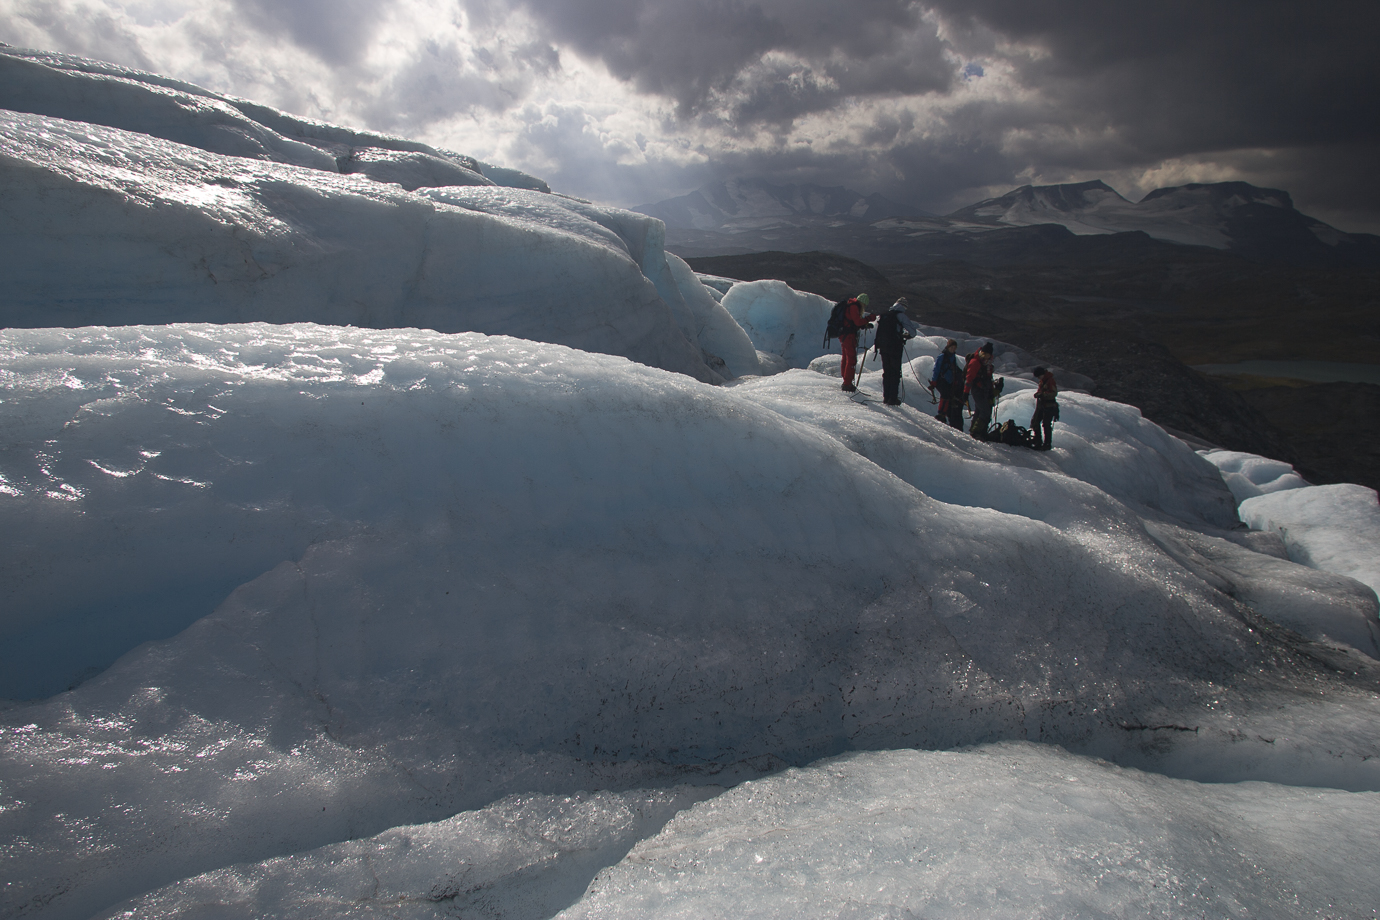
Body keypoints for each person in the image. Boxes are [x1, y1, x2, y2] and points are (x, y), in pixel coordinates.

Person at [875, 298, 920, 405]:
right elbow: (913, 332)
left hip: (883, 347)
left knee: (887, 372)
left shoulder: (885, 315)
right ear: (904, 307)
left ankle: (886, 397)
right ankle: (893, 398)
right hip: (895, 347)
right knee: (895, 372)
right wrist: (906, 336)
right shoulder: (901, 316)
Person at [838, 293, 877, 392]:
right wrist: (869, 318)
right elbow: (857, 322)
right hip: (849, 336)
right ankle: (847, 383)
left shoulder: (850, 305)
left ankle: (845, 379)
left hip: (843, 334)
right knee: (851, 359)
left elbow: (853, 322)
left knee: (846, 358)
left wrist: (863, 324)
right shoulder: (855, 307)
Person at [930, 338, 964, 428]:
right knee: (945, 395)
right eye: (952, 347)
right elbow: (936, 369)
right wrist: (934, 381)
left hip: (949, 381)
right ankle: (941, 414)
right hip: (942, 380)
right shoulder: (942, 356)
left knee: (947, 396)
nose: (953, 349)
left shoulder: (952, 357)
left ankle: (943, 414)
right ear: (948, 347)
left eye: (954, 348)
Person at [965, 342, 996, 439]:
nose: (987, 356)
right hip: (977, 390)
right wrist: (965, 392)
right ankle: (976, 432)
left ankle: (976, 431)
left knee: (979, 410)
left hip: (984, 390)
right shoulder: (976, 362)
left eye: (988, 354)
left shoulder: (986, 364)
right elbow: (969, 378)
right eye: (986, 354)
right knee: (985, 411)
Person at [1030, 365, 1058, 450]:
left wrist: (1043, 394)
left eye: (1039, 376)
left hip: (1049, 406)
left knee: (1046, 425)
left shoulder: (1050, 380)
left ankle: (1047, 444)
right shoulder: (1043, 380)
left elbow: (1053, 393)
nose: (1038, 378)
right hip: (1042, 405)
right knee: (1035, 422)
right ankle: (1038, 441)